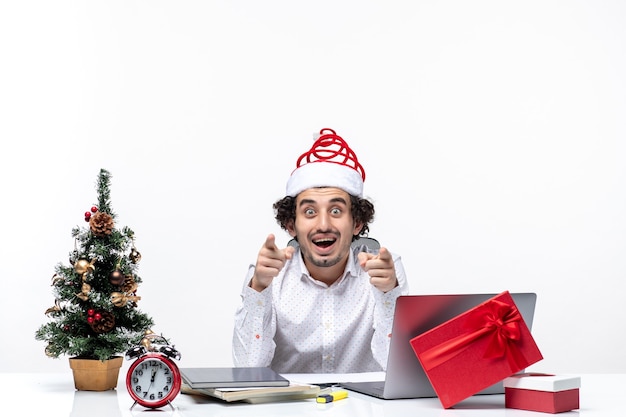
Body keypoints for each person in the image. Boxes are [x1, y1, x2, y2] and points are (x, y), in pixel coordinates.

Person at [232, 128, 409, 373]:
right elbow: (247, 370)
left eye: (336, 211)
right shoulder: (268, 275)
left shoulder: (383, 270)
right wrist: (259, 289)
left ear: (356, 223)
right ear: (291, 225)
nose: (323, 225)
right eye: (310, 212)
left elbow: (399, 370)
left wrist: (389, 294)